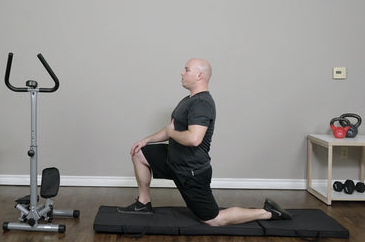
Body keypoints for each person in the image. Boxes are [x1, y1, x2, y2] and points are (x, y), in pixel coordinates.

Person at [118, 58, 292, 226]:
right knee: (139, 153)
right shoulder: (188, 100)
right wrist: (146, 140)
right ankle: (143, 203)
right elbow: (171, 129)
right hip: (174, 161)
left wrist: (172, 132)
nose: (182, 73)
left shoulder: (202, 103)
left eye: (186, 69)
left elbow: (194, 139)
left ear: (200, 75)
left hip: (190, 171)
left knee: (213, 220)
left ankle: (268, 212)